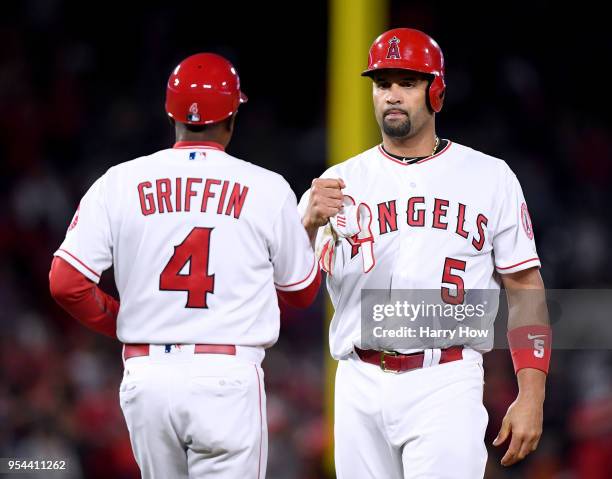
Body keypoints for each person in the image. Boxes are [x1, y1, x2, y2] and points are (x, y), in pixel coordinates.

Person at [49, 52, 320, 479]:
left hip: (148, 376)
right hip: (226, 377)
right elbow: (301, 293)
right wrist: (308, 231)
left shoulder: (118, 181)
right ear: (232, 115)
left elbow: (66, 283)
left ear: (169, 112)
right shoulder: (267, 187)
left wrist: (124, 321)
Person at [299, 28, 551, 478]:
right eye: (382, 84)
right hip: (358, 379)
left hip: (446, 379)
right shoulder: (336, 182)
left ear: (436, 91)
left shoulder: (489, 177)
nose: (392, 95)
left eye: (407, 82)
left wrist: (531, 394)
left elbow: (524, 287)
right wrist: (305, 226)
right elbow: (293, 289)